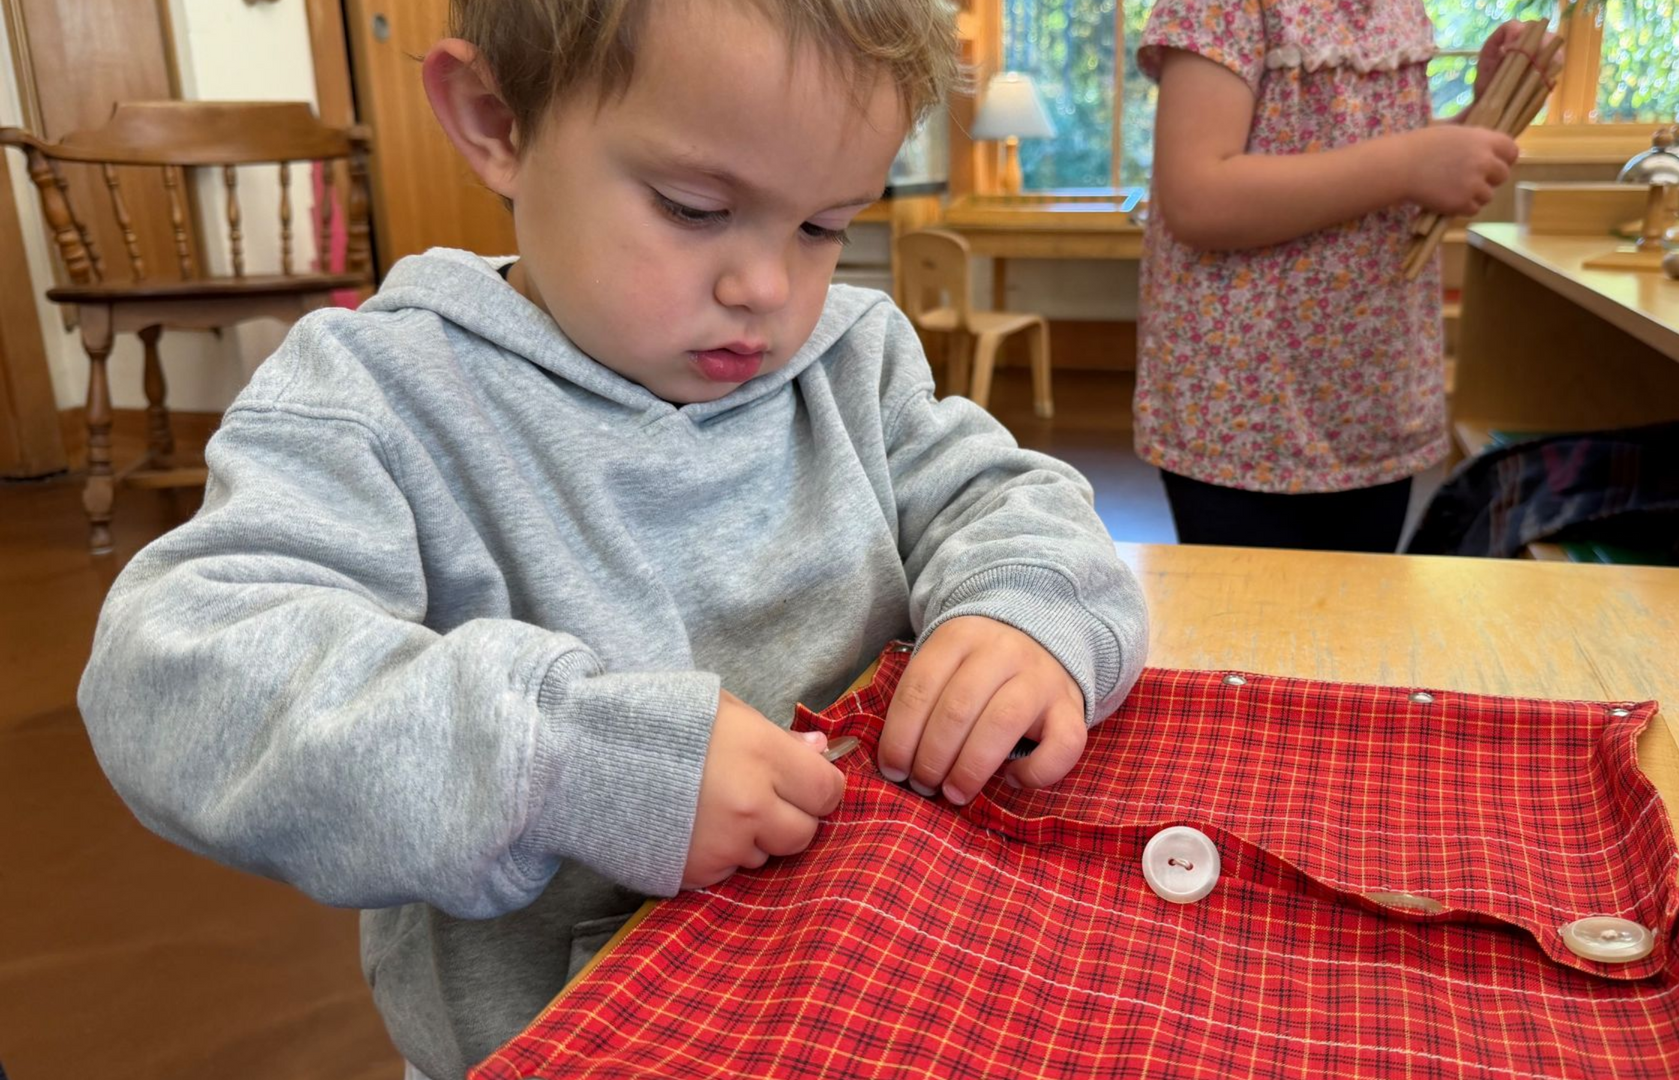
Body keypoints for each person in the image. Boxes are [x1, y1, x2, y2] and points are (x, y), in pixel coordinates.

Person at [76, 2, 1148, 1075]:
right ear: (497, 120)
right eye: (693, 208)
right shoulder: (379, 397)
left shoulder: (852, 358)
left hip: (880, 998)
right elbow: (166, 681)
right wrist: (563, 764)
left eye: (826, 225)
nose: (768, 288)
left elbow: (1015, 502)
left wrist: (1024, 610)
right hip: (558, 1041)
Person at [1136, 0, 1526, 552]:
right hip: (1245, 412)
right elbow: (1197, 198)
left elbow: (1352, 156)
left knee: (1352, 623)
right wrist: (1410, 164)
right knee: (1253, 625)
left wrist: (1472, 125)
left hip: (1370, 394)